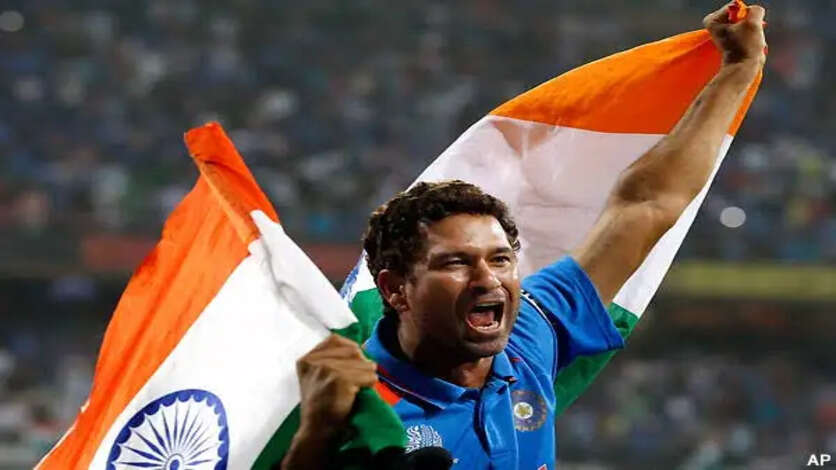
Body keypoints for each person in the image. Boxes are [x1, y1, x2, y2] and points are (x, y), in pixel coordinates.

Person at [281, 2, 767, 469]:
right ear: (394, 289)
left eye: (500, 259)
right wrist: (315, 443)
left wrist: (738, 70)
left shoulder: (529, 333)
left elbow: (645, 205)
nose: (487, 279)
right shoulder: (349, 410)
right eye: (456, 262)